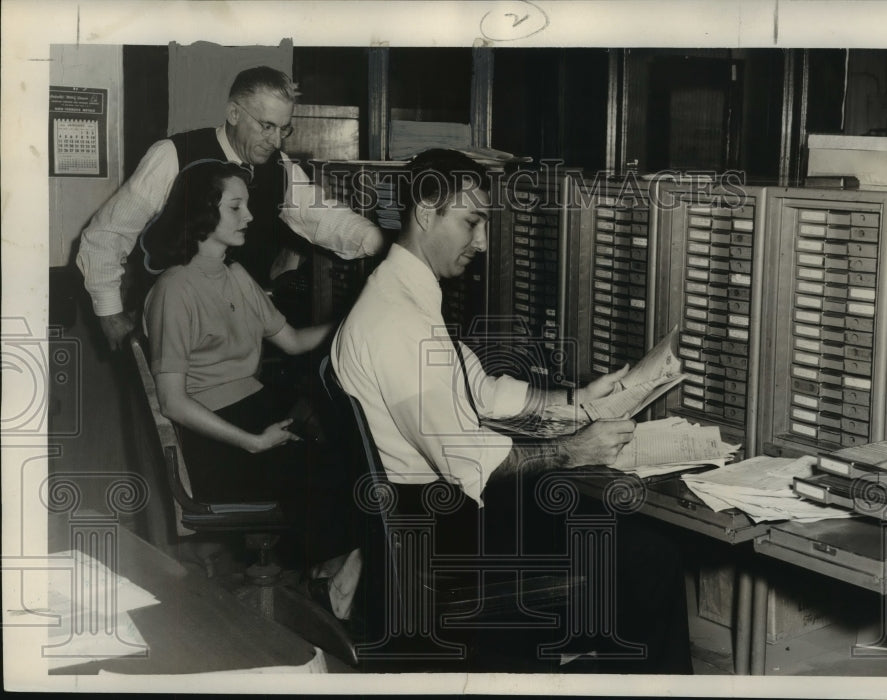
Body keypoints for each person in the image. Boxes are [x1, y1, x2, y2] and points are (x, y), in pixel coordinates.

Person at [331, 149, 692, 673]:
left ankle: (586, 661)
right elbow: (476, 464)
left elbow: (484, 392)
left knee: (622, 537)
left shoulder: (402, 297)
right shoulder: (397, 325)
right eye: (472, 222)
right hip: (437, 537)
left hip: (425, 518)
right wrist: (573, 451)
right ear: (426, 213)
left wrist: (583, 400)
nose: (481, 242)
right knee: (648, 555)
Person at [142, 159, 354, 589]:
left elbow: (292, 340)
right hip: (218, 441)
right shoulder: (174, 290)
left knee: (359, 457)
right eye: (235, 207)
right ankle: (335, 582)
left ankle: (338, 577)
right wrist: (254, 443)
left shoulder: (236, 275)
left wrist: (356, 323)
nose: (250, 216)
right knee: (331, 476)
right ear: (203, 213)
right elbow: (172, 402)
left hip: (255, 412)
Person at [79, 65, 383, 350]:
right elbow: (108, 234)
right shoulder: (173, 155)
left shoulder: (281, 168)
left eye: (283, 129)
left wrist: (381, 243)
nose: (276, 141)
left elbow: (322, 216)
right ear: (234, 113)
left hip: (237, 329)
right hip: (172, 327)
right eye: (266, 126)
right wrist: (109, 312)